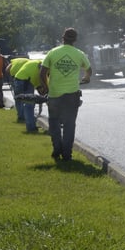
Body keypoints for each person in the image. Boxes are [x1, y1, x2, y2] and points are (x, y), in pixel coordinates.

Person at [40, 28, 92, 161]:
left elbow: (42, 73)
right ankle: (67, 154)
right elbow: (89, 69)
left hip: (54, 95)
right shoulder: (79, 54)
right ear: (75, 40)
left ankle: (57, 149)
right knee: (69, 125)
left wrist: (46, 88)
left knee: (54, 123)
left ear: (62, 38)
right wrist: (86, 78)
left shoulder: (53, 52)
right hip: (71, 96)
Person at [13, 59, 43, 132]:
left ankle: (22, 118)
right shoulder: (37, 71)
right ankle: (31, 127)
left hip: (17, 79)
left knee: (20, 101)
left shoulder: (35, 63)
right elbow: (38, 86)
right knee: (29, 104)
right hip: (25, 81)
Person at [5, 57, 29, 122]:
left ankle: (20, 116)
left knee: (18, 98)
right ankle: (26, 114)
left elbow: (7, 70)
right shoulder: (28, 61)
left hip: (16, 79)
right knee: (27, 97)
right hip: (26, 78)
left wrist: (10, 79)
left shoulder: (13, 62)